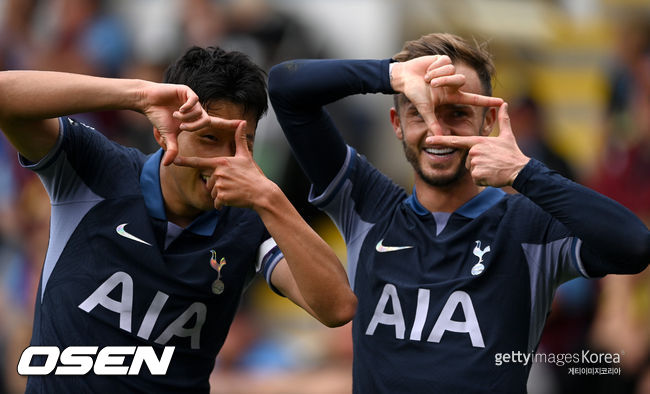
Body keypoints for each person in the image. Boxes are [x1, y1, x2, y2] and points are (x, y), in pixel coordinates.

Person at [266, 33, 650, 393]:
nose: (438, 130)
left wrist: (524, 171)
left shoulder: (529, 226)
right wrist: (390, 74)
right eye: (420, 111)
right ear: (397, 125)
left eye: (458, 113)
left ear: (487, 123)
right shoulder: (368, 203)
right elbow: (286, 86)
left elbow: (633, 245)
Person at [0, 45, 356, 393]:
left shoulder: (251, 221)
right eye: (209, 138)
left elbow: (337, 306)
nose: (224, 161)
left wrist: (270, 197)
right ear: (164, 130)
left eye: (241, 143)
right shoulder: (96, 169)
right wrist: (137, 94)